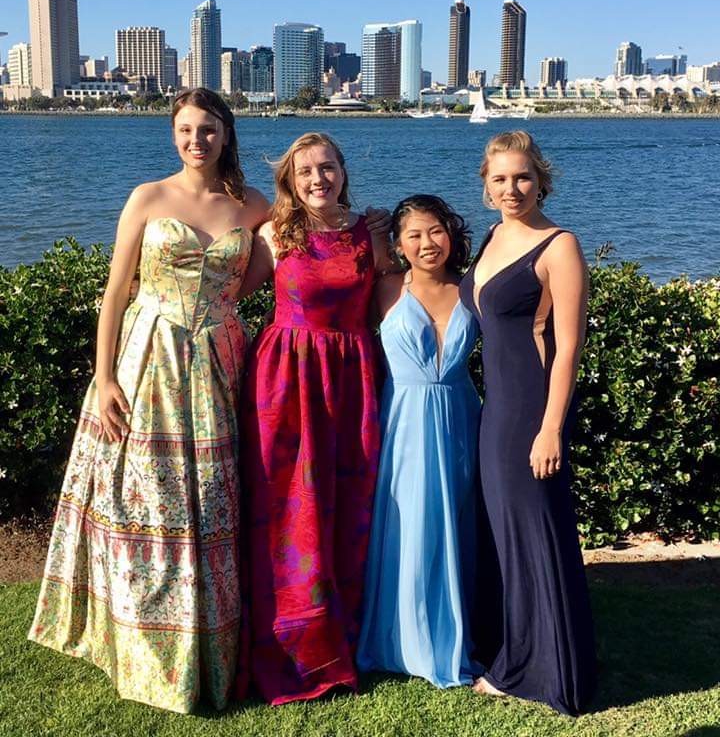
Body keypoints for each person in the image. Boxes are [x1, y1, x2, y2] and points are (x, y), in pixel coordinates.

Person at [28, 88, 269, 714]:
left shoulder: (253, 205)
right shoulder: (148, 197)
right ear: (173, 134)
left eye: (208, 129)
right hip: (146, 358)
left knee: (213, 494)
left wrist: (372, 233)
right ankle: (140, 640)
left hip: (218, 360)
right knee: (144, 492)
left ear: (226, 133)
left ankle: (213, 642)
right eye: (185, 129)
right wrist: (104, 377)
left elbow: (283, 260)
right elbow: (115, 292)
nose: (196, 140)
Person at [239, 132, 387, 706]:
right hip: (284, 381)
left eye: (326, 167)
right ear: (290, 180)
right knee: (285, 510)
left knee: (347, 503)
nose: (317, 179)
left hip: (351, 382)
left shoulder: (371, 232)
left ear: (343, 171)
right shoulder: (274, 233)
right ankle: (288, 644)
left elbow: (398, 302)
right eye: (305, 171)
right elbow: (227, 293)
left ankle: (340, 635)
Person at [459, 130, 596, 715]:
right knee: (505, 534)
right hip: (497, 409)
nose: (511, 188)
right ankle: (512, 652)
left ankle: (547, 670)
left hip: (531, 411)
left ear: (542, 180)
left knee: (534, 533)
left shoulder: (559, 246)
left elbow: (568, 349)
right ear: (486, 187)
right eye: (500, 179)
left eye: (522, 177)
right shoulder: (494, 236)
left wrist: (551, 428)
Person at [357, 195, 482, 688]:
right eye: (414, 235)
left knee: (458, 519)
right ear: (399, 245)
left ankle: (456, 631)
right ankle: (403, 637)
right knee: (407, 522)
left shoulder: (472, 289)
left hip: (461, 419)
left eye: (436, 231)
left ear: (451, 234)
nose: (427, 243)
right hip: (404, 422)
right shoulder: (385, 288)